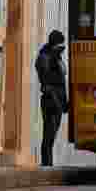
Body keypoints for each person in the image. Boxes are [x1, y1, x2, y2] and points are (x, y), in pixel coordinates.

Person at [35, 30, 68, 167]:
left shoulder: (56, 57)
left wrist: (64, 102)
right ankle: (46, 164)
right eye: (60, 46)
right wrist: (55, 99)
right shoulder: (45, 57)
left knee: (52, 135)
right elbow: (46, 80)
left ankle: (48, 163)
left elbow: (62, 80)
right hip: (50, 99)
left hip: (59, 99)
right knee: (49, 134)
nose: (62, 49)